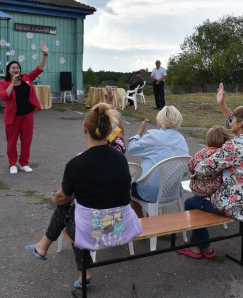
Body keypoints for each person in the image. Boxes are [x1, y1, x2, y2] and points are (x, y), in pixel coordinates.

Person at [25, 103, 138, 289]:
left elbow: (61, 198)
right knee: (78, 214)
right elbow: (120, 137)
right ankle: (43, 247)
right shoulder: (120, 158)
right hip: (120, 226)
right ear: (109, 130)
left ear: (84, 128)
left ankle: (52, 252)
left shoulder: (76, 163)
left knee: (67, 211)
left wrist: (59, 198)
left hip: (95, 231)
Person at [177, 106, 243, 259]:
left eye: (233, 119)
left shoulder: (233, 146)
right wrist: (221, 104)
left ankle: (198, 246)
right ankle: (204, 247)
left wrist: (194, 167)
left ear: (240, 124)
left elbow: (204, 168)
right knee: (204, 199)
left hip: (238, 206)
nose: (230, 122)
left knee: (191, 203)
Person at [128, 106, 189, 217]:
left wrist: (139, 133)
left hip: (151, 192)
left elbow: (132, 149)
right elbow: (184, 171)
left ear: (160, 122)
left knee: (129, 189)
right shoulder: (182, 140)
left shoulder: (153, 136)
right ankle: (151, 217)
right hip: (172, 191)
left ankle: (141, 222)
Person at [0, 42, 48, 174]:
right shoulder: (3, 83)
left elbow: (39, 69)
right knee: (11, 142)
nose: (16, 69)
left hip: (27, 115)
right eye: (13, 68)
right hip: (12, 117)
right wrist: (13, 83)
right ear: (9, 71)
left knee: (26, 141)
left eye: (17, 67)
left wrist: (45, 55)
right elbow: (4, 96)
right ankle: (12, 164)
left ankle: (24, 163)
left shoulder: (26, 77)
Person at [188, 126, 230, 196]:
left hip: (196, 188)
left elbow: (190, 165)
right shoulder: (223, 155)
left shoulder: (201, 153)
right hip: (214, 189)